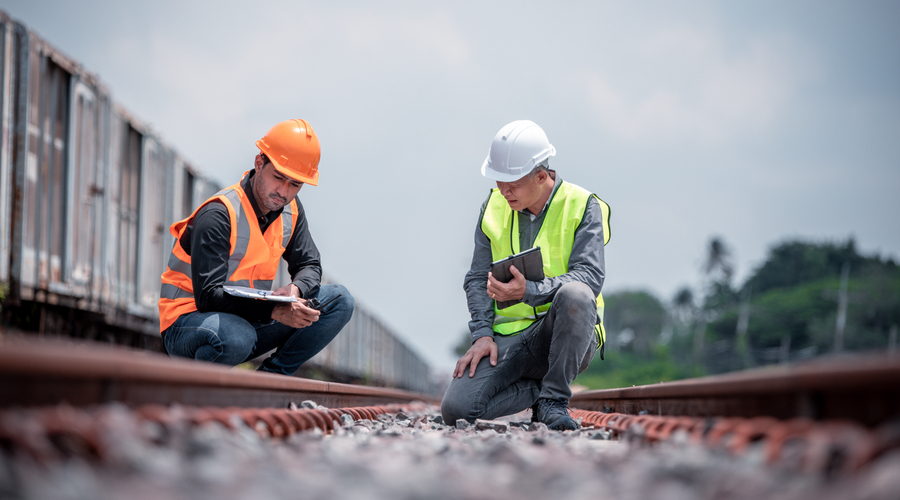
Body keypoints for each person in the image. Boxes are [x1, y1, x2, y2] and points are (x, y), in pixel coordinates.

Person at [441, 120, 611, 430]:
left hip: (564, 336)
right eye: (499, 181)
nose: (503, 191)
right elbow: (478, 277)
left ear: (541, 176)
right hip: (512, 339)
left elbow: (589, 277)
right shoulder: (493, 206)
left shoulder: (582, 206)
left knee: (576, 294)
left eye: (513, 183)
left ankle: (553, 400)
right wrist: (482, 334)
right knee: (457, 409)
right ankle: (540, 391)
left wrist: (527, 291)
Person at [158, 119, 354, 375]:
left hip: (247, 319)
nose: (283, 191)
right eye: (279, 178)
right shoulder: (219, 213)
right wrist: (275, 310)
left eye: (294, 184)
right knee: (237, 336)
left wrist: (295, 290)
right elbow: (208, 297)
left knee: (339, 300)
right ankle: (198, 388)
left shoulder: (290, 212)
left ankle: (271, 381)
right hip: (189, 324)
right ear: (259, 164)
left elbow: (310, 265)